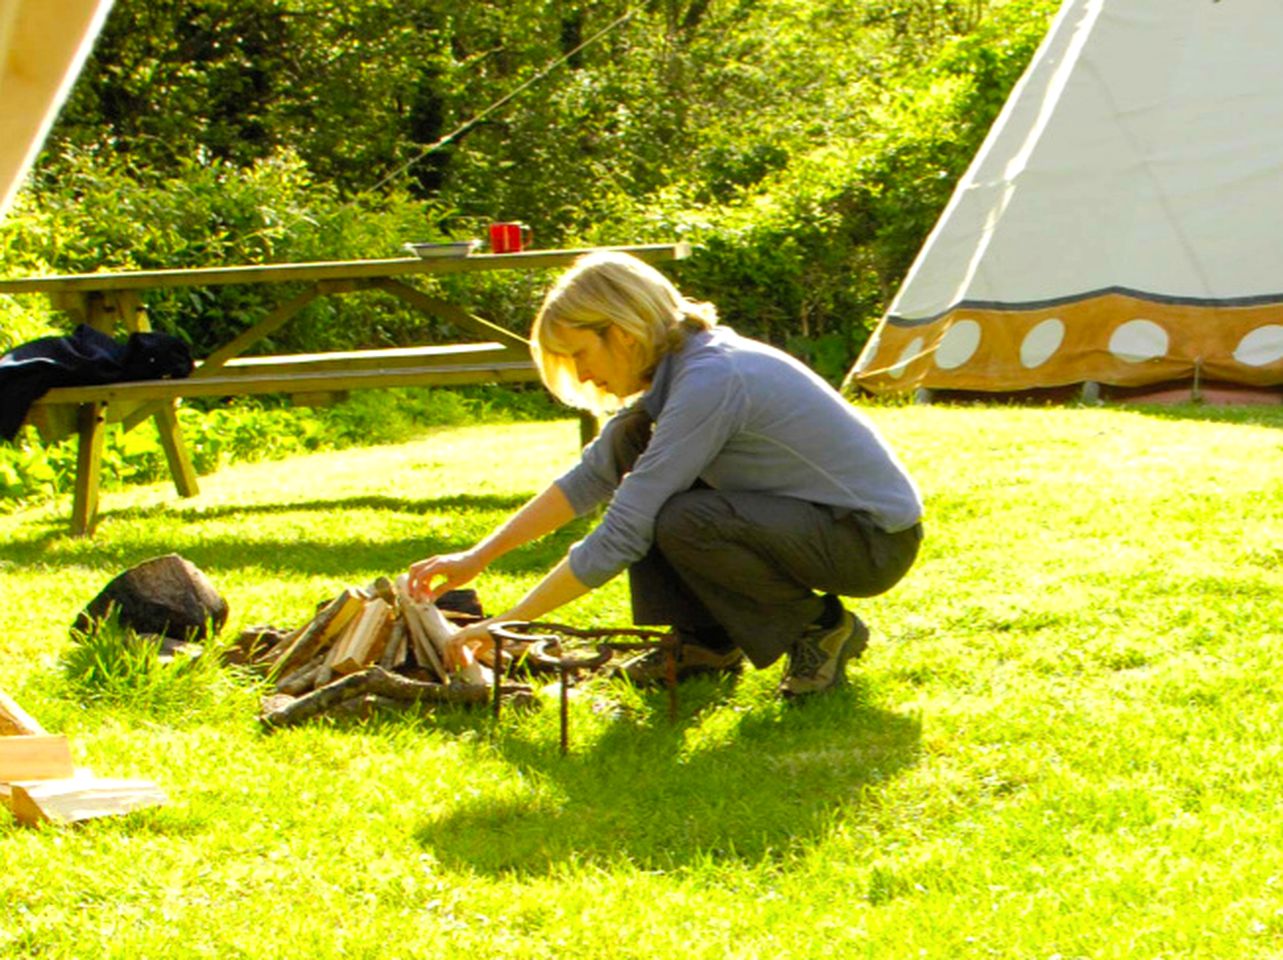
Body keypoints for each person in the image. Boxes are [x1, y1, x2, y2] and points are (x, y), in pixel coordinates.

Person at [407, 251, 923, 698]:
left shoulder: (711, 379)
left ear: (622, 333)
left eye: (581, 354)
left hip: (869, 541)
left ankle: (821, 628)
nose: (581, 374)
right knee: (654, 481)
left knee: (678, 516)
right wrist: (478, 557)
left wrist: (509, 623)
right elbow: (589, 478)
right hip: (818, 525)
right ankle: (705, 642)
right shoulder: (676, 375)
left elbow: (624, 529)